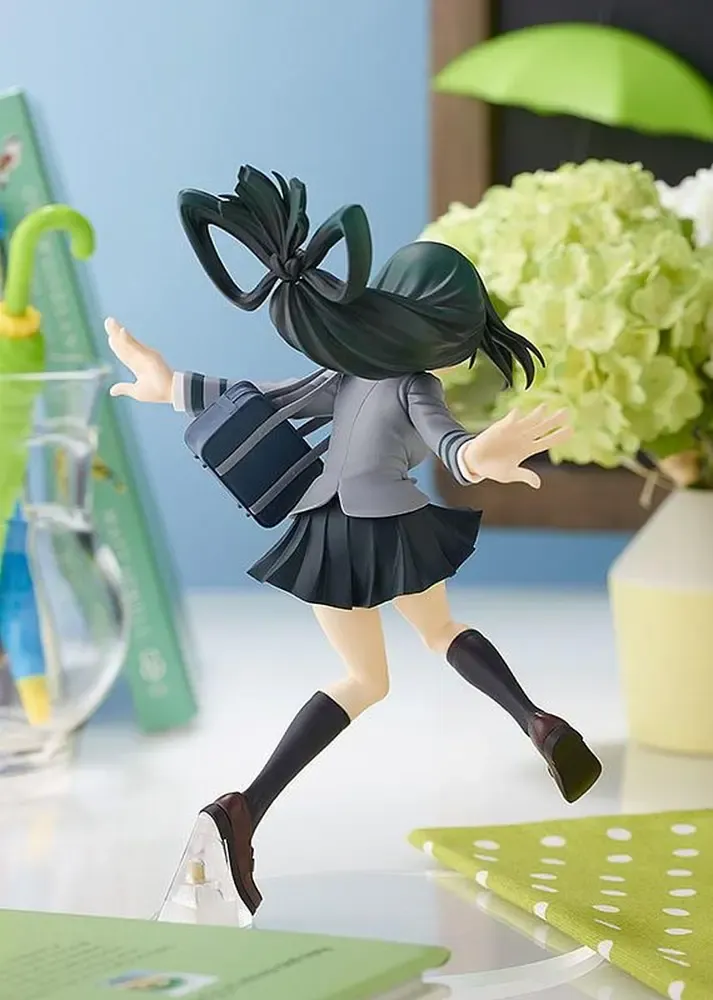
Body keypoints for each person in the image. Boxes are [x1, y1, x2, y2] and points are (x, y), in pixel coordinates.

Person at [105, 165, 602, 917]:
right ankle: (534, 719)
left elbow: (260, 399)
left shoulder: (347, 373)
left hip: (323, 529)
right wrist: (482, 457)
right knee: (439, 630)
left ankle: (244, 810)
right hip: (391, 528)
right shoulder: (416, 384)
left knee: (364, 678)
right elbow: (451, 446)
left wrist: (172, 385)